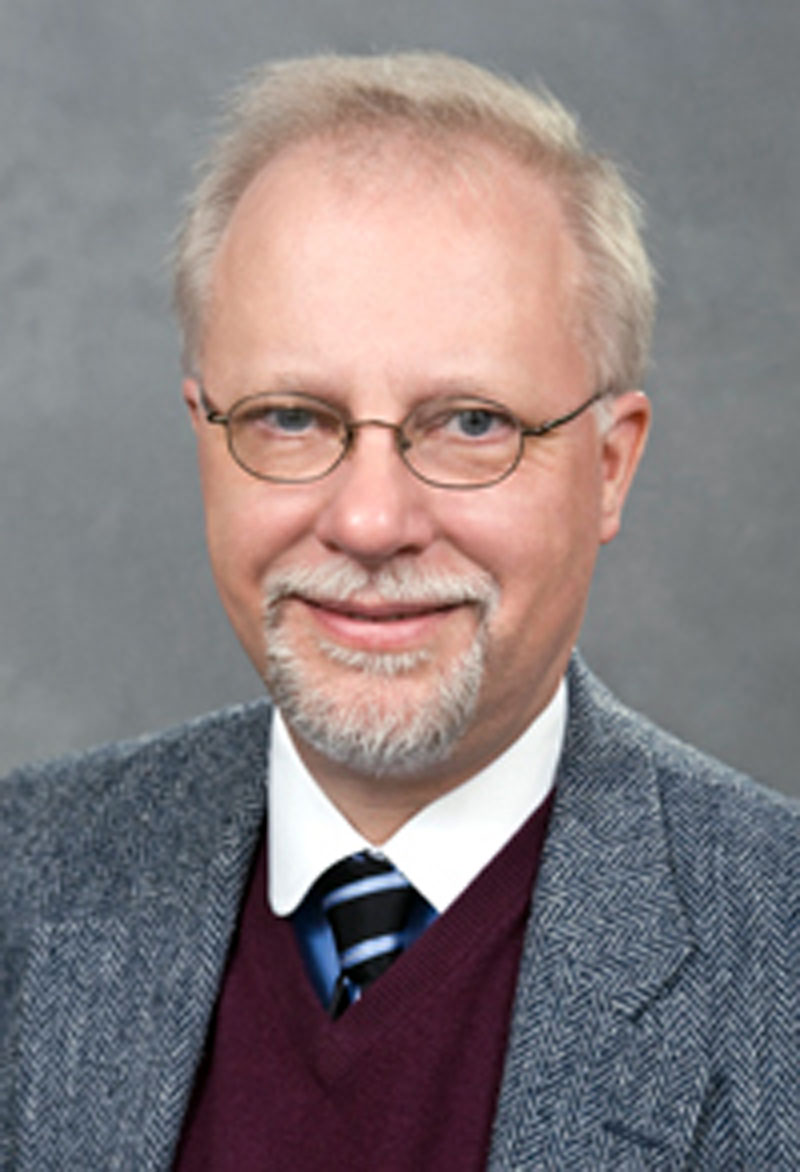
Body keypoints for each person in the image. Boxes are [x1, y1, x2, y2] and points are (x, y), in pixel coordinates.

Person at [1, 51, 798, 1171]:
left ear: (609, 466)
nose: (371, 520)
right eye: (290, 417)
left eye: (471, 422)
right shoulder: (24, 882)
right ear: (204, 439)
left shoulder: (772, 959)